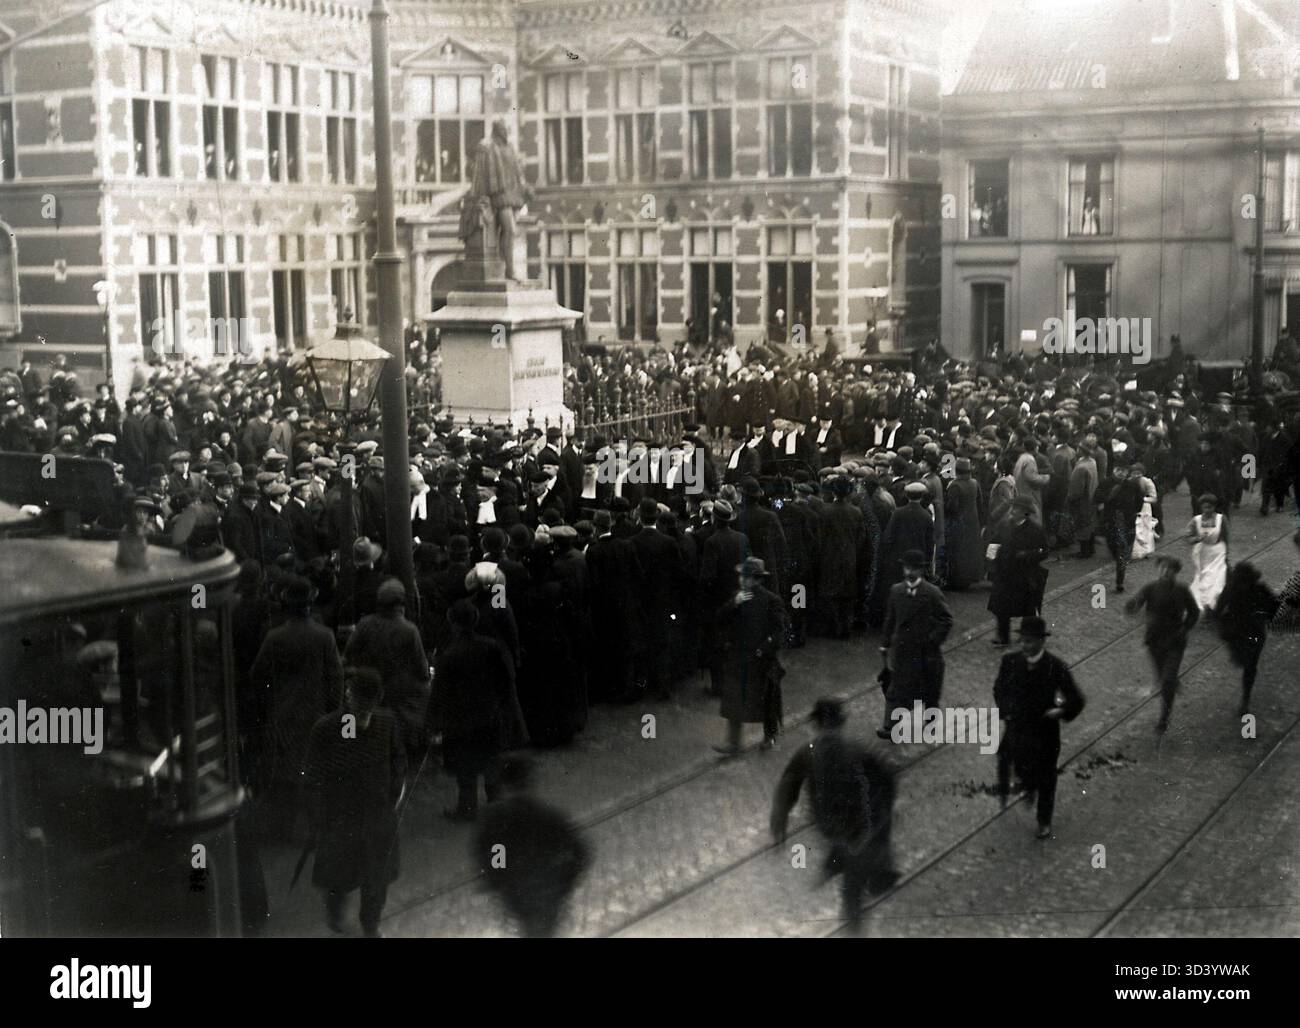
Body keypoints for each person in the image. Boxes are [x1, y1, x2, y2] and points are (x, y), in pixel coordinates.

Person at [770, 697, 898, 934]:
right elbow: (887, 778)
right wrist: (883, 820)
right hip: (860, 829)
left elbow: (788, 783)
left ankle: (842, 865)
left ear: (816, 724)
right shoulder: (857, 749)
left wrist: (780, 817)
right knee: (853, 888)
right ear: (840, 723)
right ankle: (855, 916)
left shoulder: (808, 751)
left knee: (852, 881)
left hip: (834, 827)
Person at [303, 667, 406, 938]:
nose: (361, 708)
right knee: (339, 876)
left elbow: (398, 760)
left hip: (376, 816)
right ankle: (335, 914)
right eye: (355, 698)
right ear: (349, 696)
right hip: (341, 817)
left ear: (376, 700)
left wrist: (392, 797)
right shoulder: (327, 728)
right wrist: (319, 817)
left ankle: (370, 924)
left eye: (366, 701)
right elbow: (313, 776)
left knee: (376, 878)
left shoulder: (387, 721)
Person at [429, 600, 528, 822]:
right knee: (492, 763)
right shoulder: (491, 646)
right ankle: (496, 806)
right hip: (489, 716)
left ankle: (467, 809)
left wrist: (434, 724)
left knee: (465, 769)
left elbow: (440, 694)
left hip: (461, 721)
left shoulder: (448, 655)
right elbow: (504, 683)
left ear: (453, 623)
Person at [474, 756, 591, 937]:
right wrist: (563, 884)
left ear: (503, 785)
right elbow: (579, 853)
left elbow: (492, 859)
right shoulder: (548, 816)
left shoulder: (496, 821)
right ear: (529, 782)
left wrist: (499, 882)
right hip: (548, 895)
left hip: (519, 897)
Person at [993, 616, 1086, 840]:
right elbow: (999, 689)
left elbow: (1076, 699)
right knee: (1012, 761)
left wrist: (1061, 711)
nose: (1025, 645)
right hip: (1017, 727)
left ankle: (1044, 821)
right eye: (1022, 640)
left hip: (1045, 731)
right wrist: (1005, 709)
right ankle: (1027, 785)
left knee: (1046, 777)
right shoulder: (1010, 661)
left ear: (1041, 642)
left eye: (1030, 641)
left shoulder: (1055, 666)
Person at [713, 557, 788, 755]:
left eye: (747, 577)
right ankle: (734, 743)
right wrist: (733, 604)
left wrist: (763, 649)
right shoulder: (737, 597)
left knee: (766, 701)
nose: (742, 581)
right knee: (734, 701)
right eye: (742, 577)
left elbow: (778, 632)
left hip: (761, 660)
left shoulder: (771, 600)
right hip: (738, 658)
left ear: (757, 580)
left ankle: (769, 735)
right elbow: (719, 619)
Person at [878, 549, 954, 738]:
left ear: (921, 571)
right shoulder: (896, 591)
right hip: (903, 651)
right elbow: (890, 619)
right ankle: (891, 726)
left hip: (926, 654)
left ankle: (930, 725)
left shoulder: (932, 593)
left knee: (930, 691)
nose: (909, 573)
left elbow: (946, 619)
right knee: (896, 689)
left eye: (913, 569)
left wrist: (932, 641)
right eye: (906, 568)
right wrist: (885, 643)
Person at [1124, 555, 1200, 733]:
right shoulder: (1150, 588)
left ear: (1175, 572)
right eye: (1162, 568)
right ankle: (1171, 682)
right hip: (1154, 641)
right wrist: (1131, 605)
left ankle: (1164, 718)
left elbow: (1194, 612)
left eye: (1169, 569)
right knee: (1163, 676)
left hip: (1175, 641)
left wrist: (1185, 628)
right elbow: (1136, 602)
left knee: (1166, 682)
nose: (1165, 571)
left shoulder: (1182, 591)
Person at [1214, 562, 1280, 718]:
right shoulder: (1260, 589)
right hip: (1255, 633)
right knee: (1250, 667)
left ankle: (1239, 659)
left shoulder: (1230, 589)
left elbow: (1217, 611)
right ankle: (1245, 698)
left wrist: (1223, 624)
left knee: (1243, 659)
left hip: (1235, 634)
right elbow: (1274, 610)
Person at [987, 496, 1049, 645]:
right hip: (1004, 572)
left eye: (1017, 509)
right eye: (1012, 508)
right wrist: (991, 559)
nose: (1012, 511)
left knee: (1027, 607)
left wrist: (1027, 555)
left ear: (1025, 513)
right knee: (1001, 608)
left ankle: (1026, 634)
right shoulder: (1005, 525)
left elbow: (1044, 551)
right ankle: (1003, 637)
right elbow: (994, 542)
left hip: (1024, 574)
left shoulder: (1035, 530)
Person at [1187, 493, 1228, 612]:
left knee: (1216, 579)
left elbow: (1225, 537)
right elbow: (1188, 536)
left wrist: (1227, 555)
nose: (1207, 510)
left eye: (1210, 507)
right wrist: (1197, 539)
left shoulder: (1221, 519)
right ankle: (1206, 604)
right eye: (1205, 507)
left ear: (1214, 507)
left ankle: (1213, 604)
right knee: (1203, 579)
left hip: (1218, 552)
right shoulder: (1196, 520)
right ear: (1201, 508)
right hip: (1202, 554)